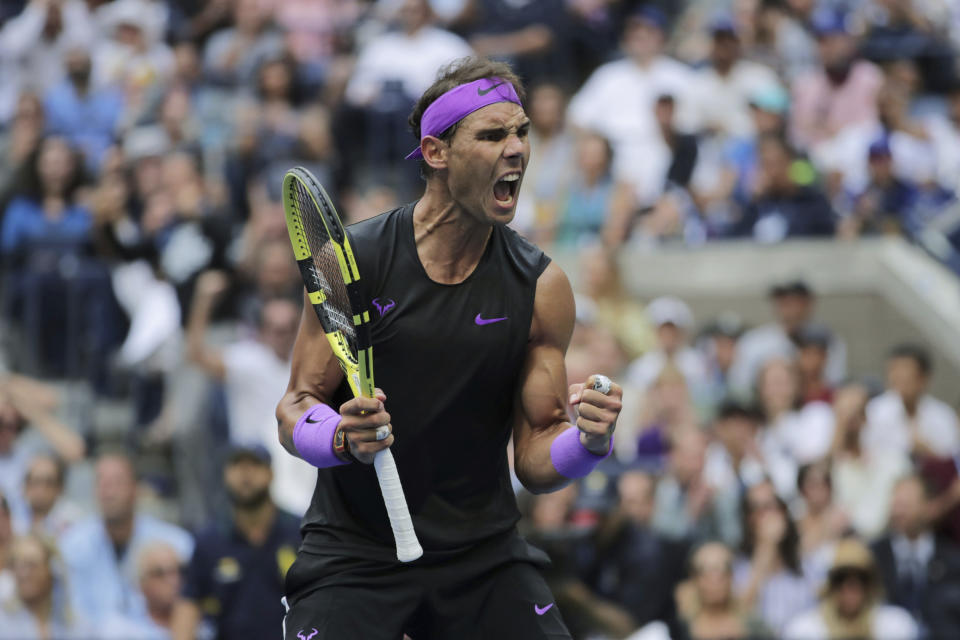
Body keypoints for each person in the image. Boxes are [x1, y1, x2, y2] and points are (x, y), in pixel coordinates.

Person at [275, 56, 623, 639]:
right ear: (436, 153)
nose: (516, 149)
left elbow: (535, 459)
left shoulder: (542, 288)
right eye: (492, 135)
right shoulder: (353, 260)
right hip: (355, 553)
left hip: (482, 557)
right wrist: (338, 436)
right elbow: (295, 407)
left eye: (522, 133)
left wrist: (588, 442)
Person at [186, 270, 315, 514]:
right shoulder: (247, 359)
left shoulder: (307, 363)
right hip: (249, 461)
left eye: (288, 328)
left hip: (297, 462)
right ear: (262, 330)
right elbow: (196, 355)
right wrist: (203, 300)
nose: (282, 335)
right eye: (275, 328)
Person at [171, 444, 299, 640]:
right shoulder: (208, 541)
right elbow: (188, 607)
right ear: (224, 474)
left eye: (254, 464)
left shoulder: (300, 533)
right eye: (237, 465)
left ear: (271, 473)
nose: (245, 474)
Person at [58, 450, 193, 621]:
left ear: (135, 489)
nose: (109, 492)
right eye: (102, 483)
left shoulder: (175, 543)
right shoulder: (72, 544)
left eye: (116, 482)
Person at [870, 474, 960, 638]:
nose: (898, 511)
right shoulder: (873, 556)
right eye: (895, 504)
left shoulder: (952, 559)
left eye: (906, 505)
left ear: (928, 507)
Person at [729, 279, 847, 397]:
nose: (790, 310)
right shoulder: (754, 342)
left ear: (808, 304)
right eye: (784, 302)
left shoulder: (829, 341)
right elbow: (740, 386)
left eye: (795, 302)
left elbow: (835, 383)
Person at [784, 538, 918, 640]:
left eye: (860, 577)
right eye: (841, 578)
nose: (850, 586)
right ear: (831, 585)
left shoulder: (894, 626)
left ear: (871, 584)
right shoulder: (806, 630)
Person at [863, 343, 960, 459]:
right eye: (894, 370)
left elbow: (952, 461)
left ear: (923, 378)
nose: (900, 377)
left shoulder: (943, 415)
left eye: (906, 370)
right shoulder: (873, 412)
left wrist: (927, 451)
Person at [0, 533, 88, 639]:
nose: (22, 574)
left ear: (51, 569)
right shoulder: (4, 619)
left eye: (31, 565)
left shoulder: (72, 624)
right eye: (16, 565)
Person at [676, 541, 768, 640]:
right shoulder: (680, 627)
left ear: (731, 576)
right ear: (694, 578)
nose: (714, 579)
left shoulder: (753, 625)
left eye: (722, 570)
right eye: (705, 571)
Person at [102, 542, 184, 639]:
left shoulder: (202, 625)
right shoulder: (122, 631)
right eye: (159, 573)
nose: (174, 580)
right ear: (140, 584)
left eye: (179, 570)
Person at [18, 453, 83, 537]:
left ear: (59, 488)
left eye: (49, 483)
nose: (41, 489)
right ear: (26, 486)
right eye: (36, 481)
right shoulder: (12, 516)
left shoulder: (73, 520)